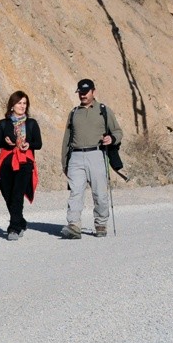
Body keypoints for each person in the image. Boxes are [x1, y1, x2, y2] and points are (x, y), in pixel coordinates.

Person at [61, 78, 123, 239]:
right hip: (75, 156)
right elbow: (66, 139)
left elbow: (117, 132)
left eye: (86, 92)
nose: (83, 95)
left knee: (100, 193)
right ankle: (73, 225)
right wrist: (64, 162)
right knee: (75, 192)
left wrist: (112, 139)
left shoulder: (103, 110)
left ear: (93, 92)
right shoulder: (73, 112)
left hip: (96, 154)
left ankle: (101, 223)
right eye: (80, 92)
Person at [0, 91, 41, 240]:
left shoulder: (31, 123)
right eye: (19, 103)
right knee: (7, 193)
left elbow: (38, 144)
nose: (22, 106)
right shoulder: (3, 123)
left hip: (25, 162)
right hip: (7, 162)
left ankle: (13, 228)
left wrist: (28, 144)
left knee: (18, 194)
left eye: (25, 103)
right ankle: (21, 220)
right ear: (12, 105)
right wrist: (5, 142)